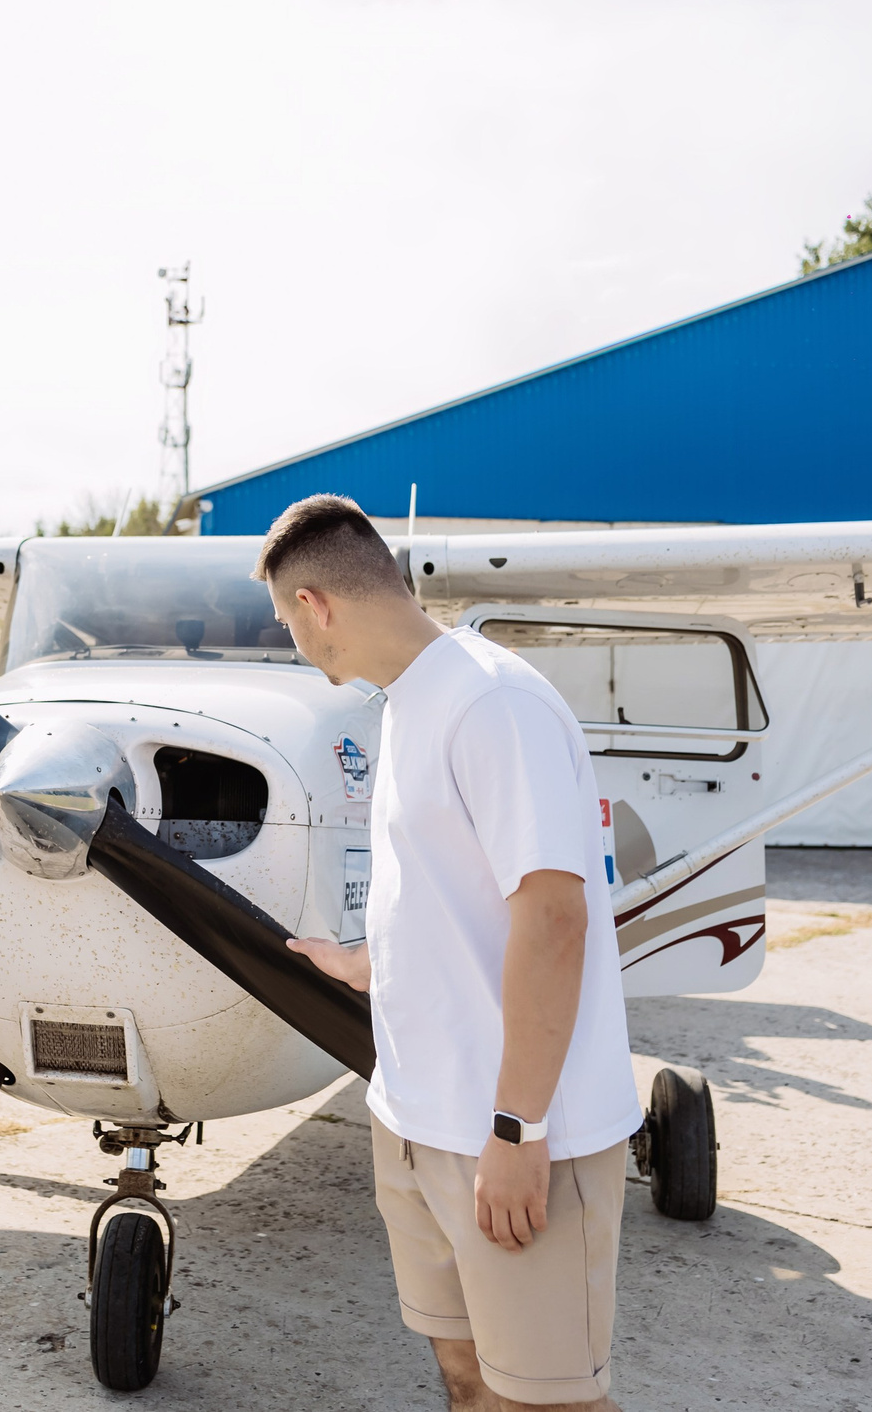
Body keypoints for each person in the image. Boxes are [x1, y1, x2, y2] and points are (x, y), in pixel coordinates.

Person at [267, 494, 640, 1412]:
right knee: (467, 1379)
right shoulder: (407, 703)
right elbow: (452, 889)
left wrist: (517, 1130)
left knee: (545, 1401)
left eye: (286, 624)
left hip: (512, 1134)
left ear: (315, 604)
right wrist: (368, 963)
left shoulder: (494, 702)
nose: (295, 646)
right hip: (414, 1119)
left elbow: (554, 920)